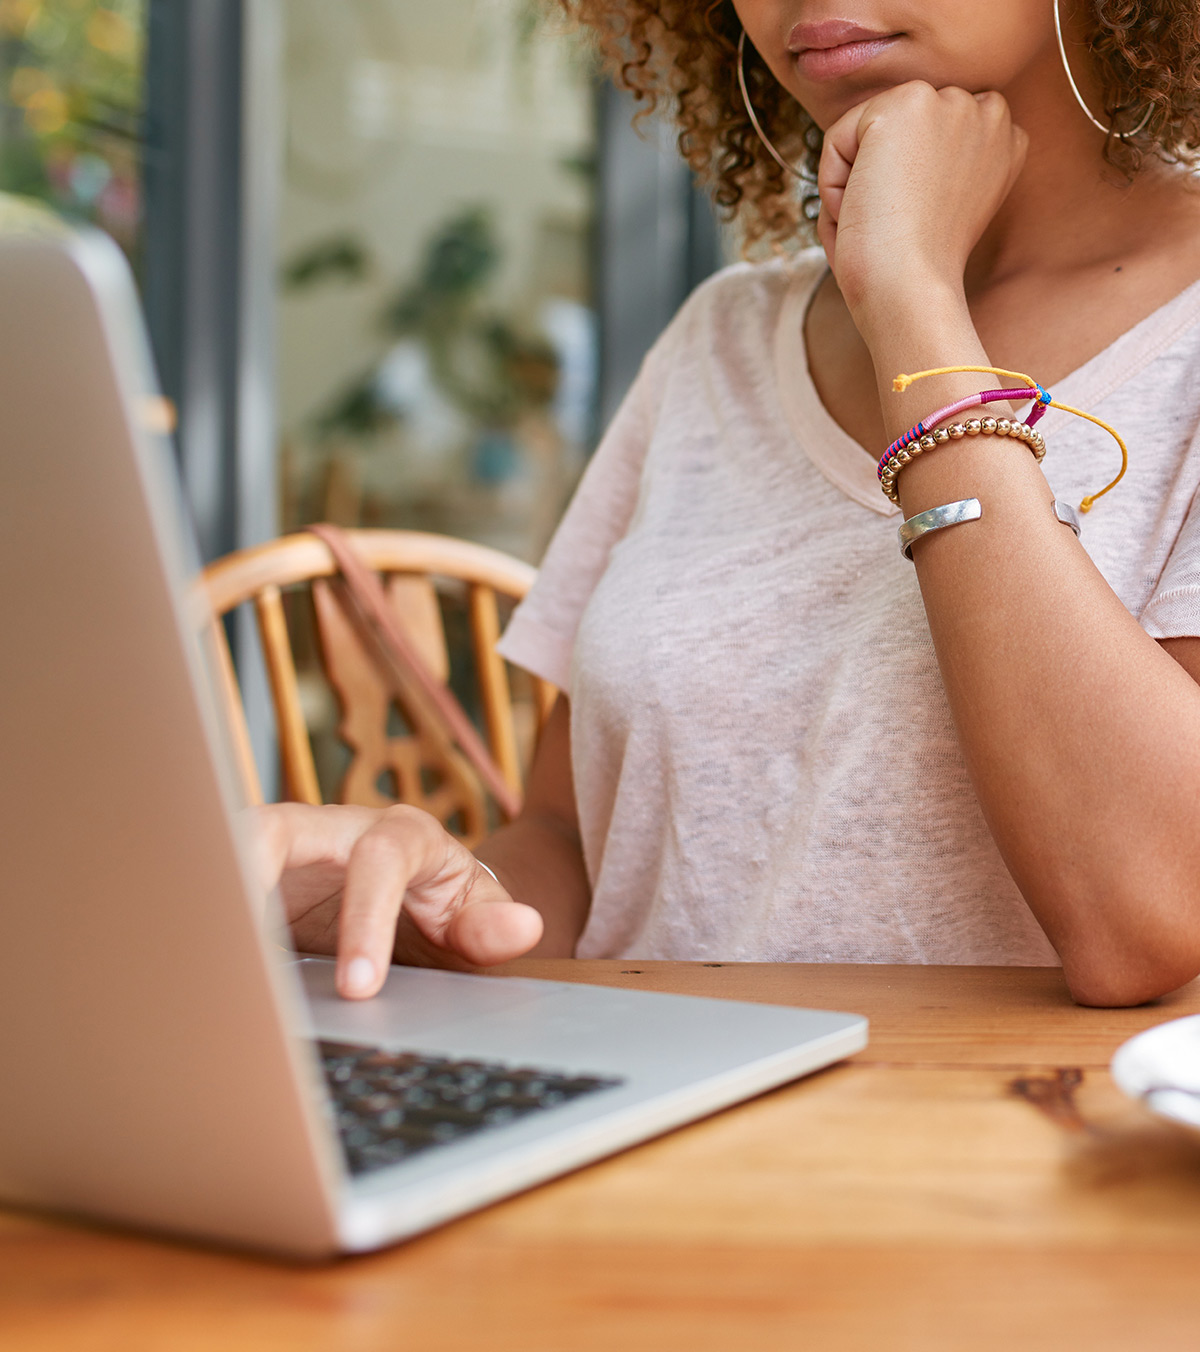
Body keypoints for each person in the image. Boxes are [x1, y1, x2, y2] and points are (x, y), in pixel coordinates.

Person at [252, 0, 1200, 1008]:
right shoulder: (723, 337)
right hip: (652, 1136)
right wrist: (440, 904)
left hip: (1005, 1147)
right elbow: (571, 838)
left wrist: (914, 307)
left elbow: (1150, 912)